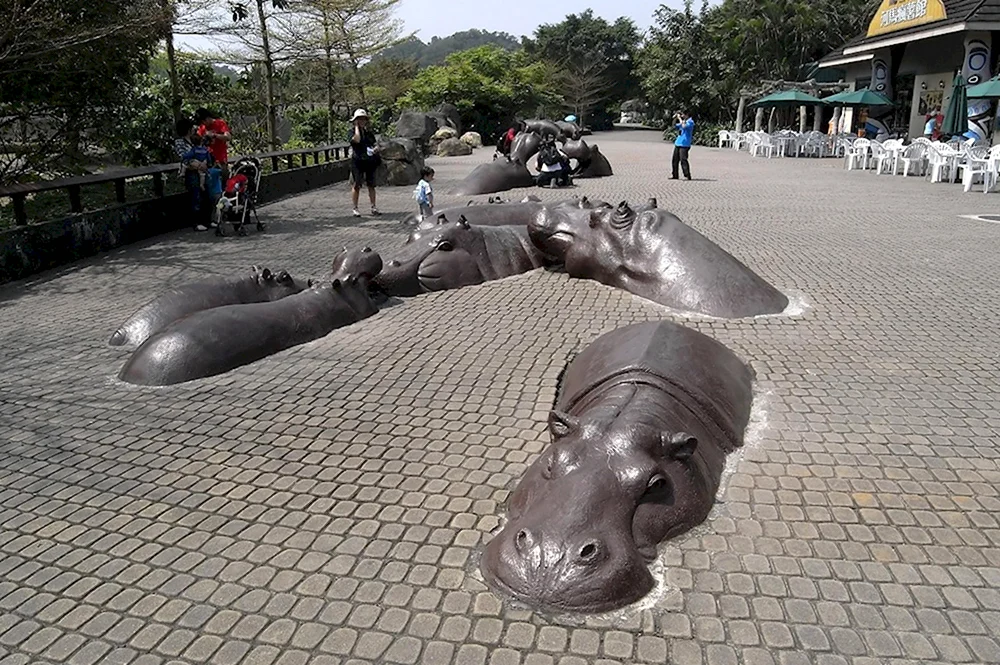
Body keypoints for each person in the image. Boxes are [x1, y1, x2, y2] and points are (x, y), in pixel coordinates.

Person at [174, 117, 212, 232]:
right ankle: (197, 222)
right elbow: (183, 157)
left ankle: (207, 220)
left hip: (201, 169)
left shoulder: (195, 140)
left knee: (206, 194)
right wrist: (197, 164)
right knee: (196, 196)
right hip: (191, 171)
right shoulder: (179, 142)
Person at [347, 108, 380, 217]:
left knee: (371, 185)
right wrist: (356, 127)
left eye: (363, 119)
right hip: (357, 161)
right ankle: (355, 208)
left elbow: (375, 144)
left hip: (369, 161)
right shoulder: (351, 132)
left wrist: (375, 149)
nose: (362, 121)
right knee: (356, 184)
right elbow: (356, 140)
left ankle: (373, 206)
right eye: (359, 119)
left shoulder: (369, 133)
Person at [195, 108, 232, 180]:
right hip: (207, 159)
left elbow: (228, 137)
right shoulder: (202, 128)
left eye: (204, 121)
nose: (203, 123)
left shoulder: (220, 123)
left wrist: (215, 135)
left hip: (220, 158)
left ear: (208, 118)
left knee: (223, 180)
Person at [671, 111, 694, 180]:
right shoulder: (683, 121)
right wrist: (675, 119)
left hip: (685, 144)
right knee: (675, 159)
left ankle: (687, 174)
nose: (682, 116)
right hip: (678, 142)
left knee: (683, 159)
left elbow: (684, 126)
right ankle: (675, 175)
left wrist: (680, 119)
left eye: (683, 114)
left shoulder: (690, 122)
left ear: (687, 115)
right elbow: (674, 126)